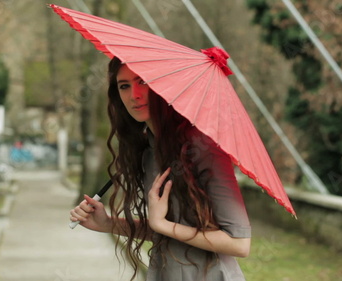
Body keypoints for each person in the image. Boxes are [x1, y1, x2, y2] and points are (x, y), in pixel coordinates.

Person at [70, 57, 252, 281]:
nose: (134, 95)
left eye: (143, 82)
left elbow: (239, 243)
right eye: (124, 86)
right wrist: (108, 223)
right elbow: (167, 234)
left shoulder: (204, 149)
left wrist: (162, 224)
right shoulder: (148, 150)